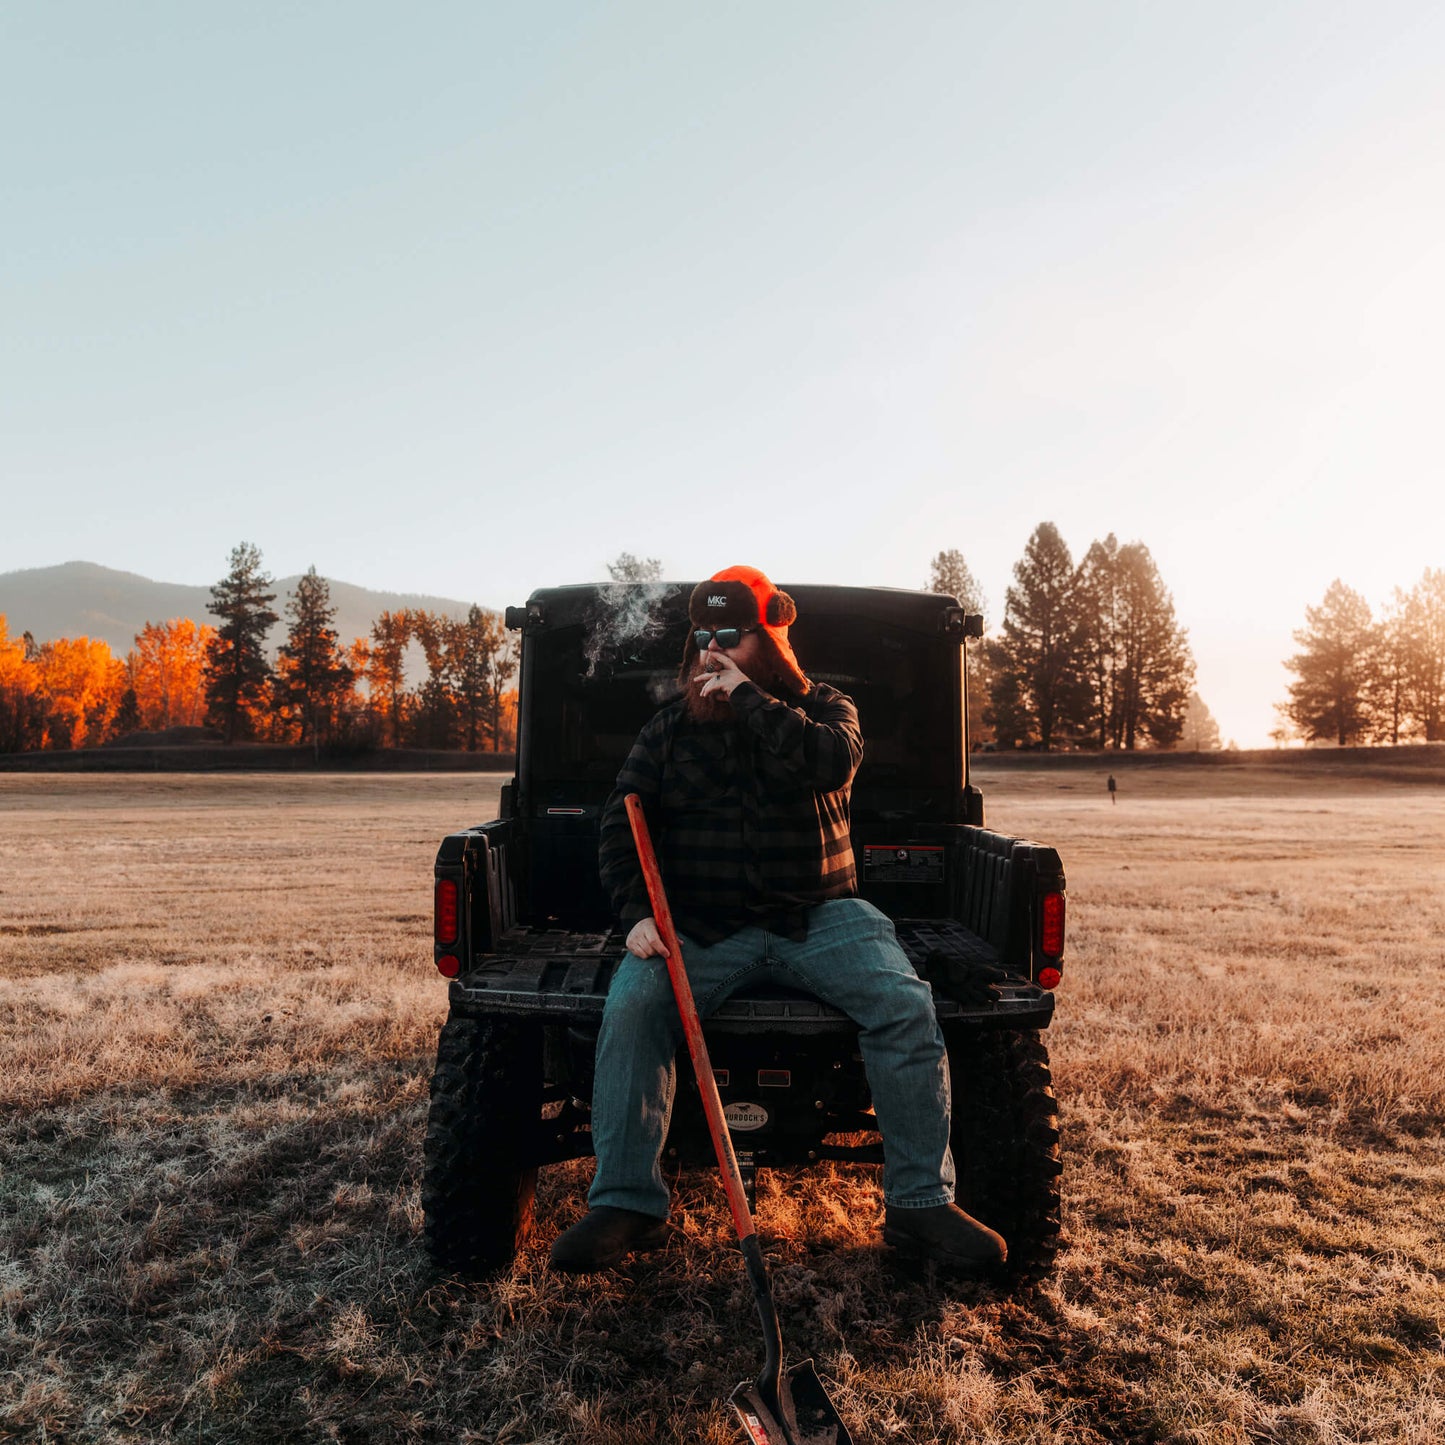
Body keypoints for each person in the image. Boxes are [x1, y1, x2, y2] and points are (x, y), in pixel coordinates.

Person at [548, 565, 1007, 1274]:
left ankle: (919, 1202)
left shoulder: (827, 710)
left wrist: (750, 698)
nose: (710, 649)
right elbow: (620, 824)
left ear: (767, 640)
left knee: (904, 1004)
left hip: (821, 914)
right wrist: (637, 912)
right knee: (634, 1006)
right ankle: (626, 1202)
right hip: (702, 924)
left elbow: (828, 764)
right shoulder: (668, 728)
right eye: (701, 635)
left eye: (728, 635)